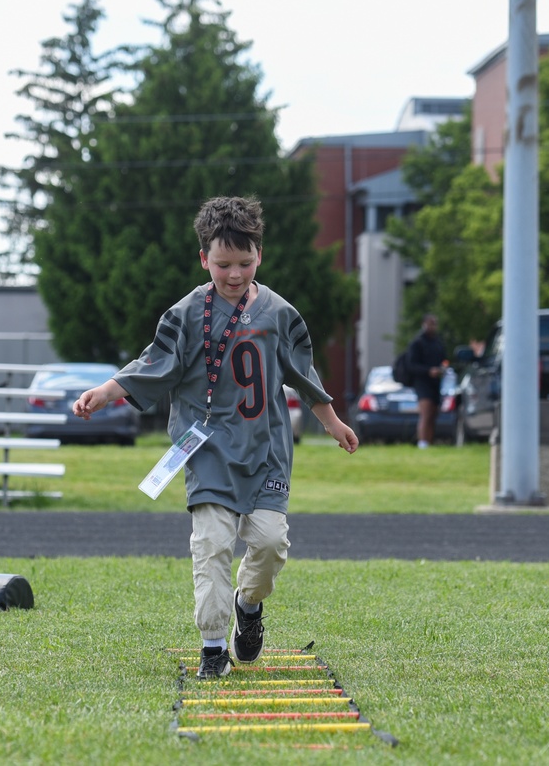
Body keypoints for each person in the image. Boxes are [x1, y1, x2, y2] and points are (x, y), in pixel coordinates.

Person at [72, 195, 359, 679]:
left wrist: (331, 421)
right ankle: (212, 648)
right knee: (211, 544)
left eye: (245, 263)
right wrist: (106, 391)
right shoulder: (185, 315)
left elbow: (303, 373)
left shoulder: (278, 313)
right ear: (204, 257)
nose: (234, 275)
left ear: (259, 256)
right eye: (223, 264)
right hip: (207, 452)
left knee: (269, 545)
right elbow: (152, 365)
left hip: (266, 450)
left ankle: (248, 606)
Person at [406, 313, 447, 449]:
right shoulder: (417, 342)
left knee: (433, 413)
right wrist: (429, 371)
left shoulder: (437, 342)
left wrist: (443, 367)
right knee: (426, 412)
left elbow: (443, 359)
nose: (433, 326)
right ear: (424, 324)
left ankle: (429, 442)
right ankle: (422, 443)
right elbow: (411, 365)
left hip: (436, 382)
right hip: (422, 382)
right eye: (430, 323)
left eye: (435, 323)